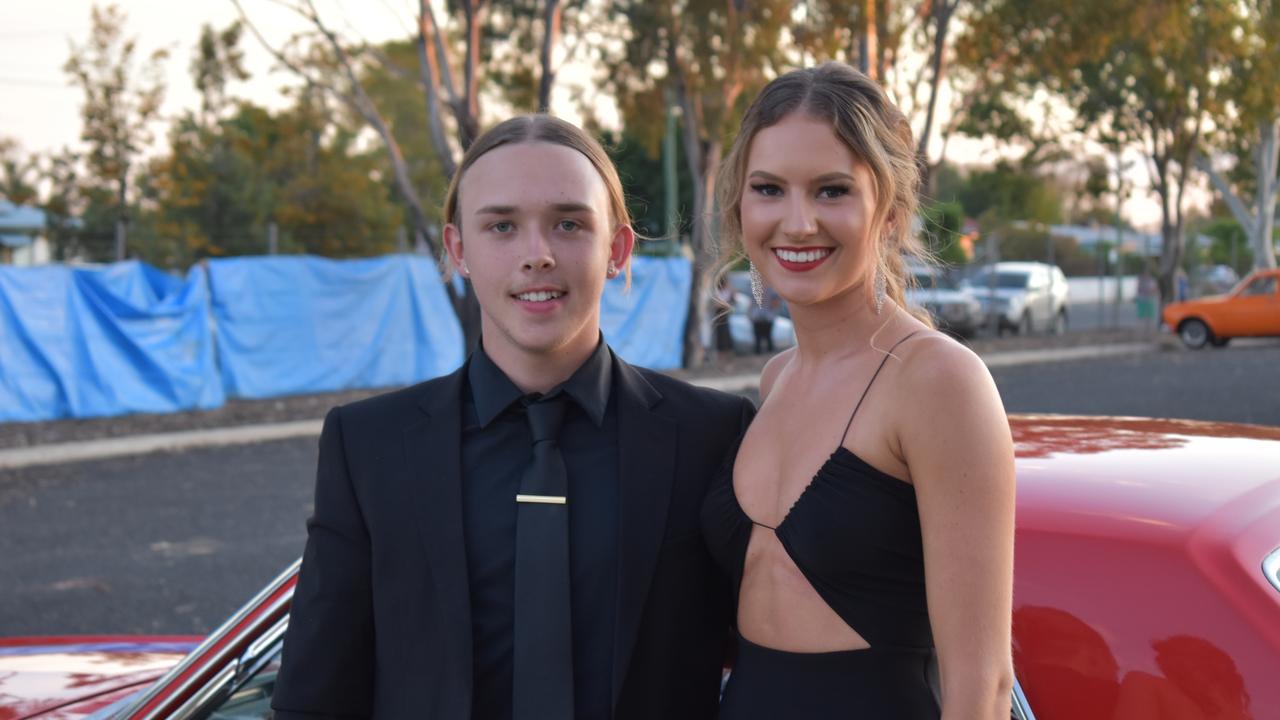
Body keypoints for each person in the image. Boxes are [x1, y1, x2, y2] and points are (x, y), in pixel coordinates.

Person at [272, 115, 754, 720]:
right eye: (501, 225)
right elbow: (316, 697)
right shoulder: (369, 445)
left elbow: (769, 668)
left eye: (569, 224)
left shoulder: (712, 435)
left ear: (617, 249)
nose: (537, 255)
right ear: (458, 250)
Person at [701, 63, 1016, 718]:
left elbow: (982, 686)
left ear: (891, 213)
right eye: (769, 189)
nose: (797, 222)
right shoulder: (775, 379)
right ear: (740, 208)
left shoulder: (937, 382)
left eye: (831, 190)